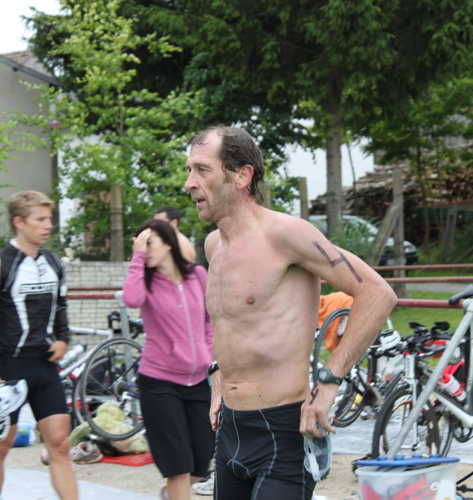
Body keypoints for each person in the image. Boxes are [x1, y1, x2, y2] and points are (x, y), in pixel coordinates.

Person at [184, 126, 397, 499]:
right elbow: (227, 320)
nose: (189, 183)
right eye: (189, 170)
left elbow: (377, 293)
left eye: (202, 170)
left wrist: (329, 382)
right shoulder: (214, 244)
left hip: (284, 433)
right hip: (230, 431)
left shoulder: (286, 235)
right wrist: (217, 372)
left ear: (242, 176)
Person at [0, 190, 78, 500]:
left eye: (49, 219)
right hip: (9, 368)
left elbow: (61, 305)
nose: (48, 225)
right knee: (0, 446)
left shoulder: (53, 262)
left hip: (44, 366)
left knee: (61, 445)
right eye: (40, 219)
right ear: (19, 222)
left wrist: (63, 338)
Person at [122, 218, 215, 500]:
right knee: (178, 466)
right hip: (159, 382)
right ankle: (175, 491)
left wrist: (208, 353)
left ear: (168, 243)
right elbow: (131, 299)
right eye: (140, 246)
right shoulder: (145, 281)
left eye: (149, 243)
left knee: (201, 462)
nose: (145, 250)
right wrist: (137, 258)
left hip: (198, 381)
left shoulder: (197, 275)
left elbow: (210, 318)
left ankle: (169, 494)